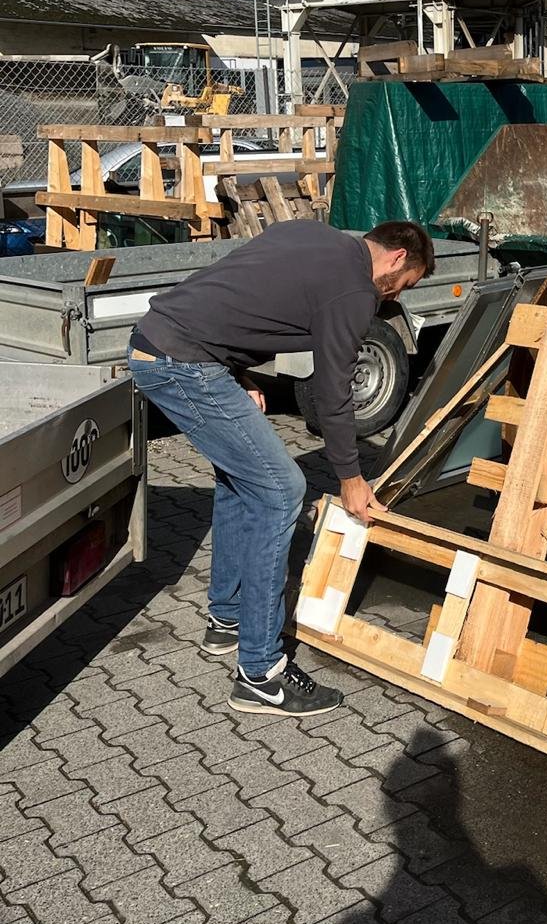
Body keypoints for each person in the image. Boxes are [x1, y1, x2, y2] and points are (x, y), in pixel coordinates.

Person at [127, 218, 435, 718]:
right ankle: (261, 674)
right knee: (281, 489)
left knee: (241, 477)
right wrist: (351, 480)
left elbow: (234, 294)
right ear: (398, 258)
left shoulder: (310, 234)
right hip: (182, 362)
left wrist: (238, 372)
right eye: (406, 283)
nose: (396, 296)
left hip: (165, 345)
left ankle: (226, 619)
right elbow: (333, 394)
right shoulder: (355, 291)